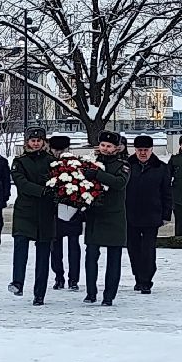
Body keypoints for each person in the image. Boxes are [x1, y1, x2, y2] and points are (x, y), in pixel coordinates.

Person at [9, 126, 56, 304]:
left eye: (39, 140)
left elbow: (58, 180)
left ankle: (39, 293)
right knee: (20, 245)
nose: (35, 143)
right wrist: (43, 191)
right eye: (32, 140)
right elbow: (22, 183)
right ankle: (18, 282)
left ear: (43, 142)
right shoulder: (19, 161)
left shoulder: (51, 161)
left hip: (45, 211)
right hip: (25, 211)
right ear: (27, 142)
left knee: (43, 254)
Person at [83, 131, 129, 305]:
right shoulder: (92, 162)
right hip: (95, 214)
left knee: (113, 258)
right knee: (91, 255)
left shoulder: (122, 164)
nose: (105, 148)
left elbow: (119, 183)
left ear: (116, 148)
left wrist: (98, 175)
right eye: (103, 145)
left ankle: (109, 295)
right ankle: (90, 292)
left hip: (114, 216)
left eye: (109, 146)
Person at [125, 134, 172, 293]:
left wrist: (166, 214)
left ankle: (146, 279)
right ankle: (138, 277)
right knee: (133, 249)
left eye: (146, 150)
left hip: (152, 215)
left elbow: (167, 193)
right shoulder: (127, 166)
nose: (143, 153)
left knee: (148, 249)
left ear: (151, 150)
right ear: (135, 150)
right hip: (130, 215)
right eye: (140, 150)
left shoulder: (161, 168)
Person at [46, 134, 83, 290]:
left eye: (62, 150)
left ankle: (73, 279)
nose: (59, 153)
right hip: (54, 211)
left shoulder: (76, 165)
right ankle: (59, 276)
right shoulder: (47, 164)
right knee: (55, 246)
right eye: (56, 150)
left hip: (73, 209)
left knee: (73, 245)